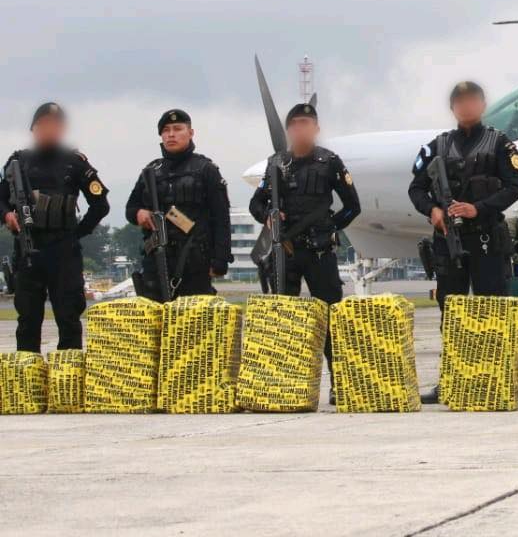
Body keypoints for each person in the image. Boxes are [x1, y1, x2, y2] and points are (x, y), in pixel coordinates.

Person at [408, 81, 518, 404]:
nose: (466, 107)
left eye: (472, 101)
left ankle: (493, 378)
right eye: (460, 102)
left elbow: (513, 187)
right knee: (452, 312)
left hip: (486, 237)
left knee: (491, 310)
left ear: (483, 105)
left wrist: (478, 208)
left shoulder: (500, 144)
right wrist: (432, 210)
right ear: (453, 109)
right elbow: (416, 188)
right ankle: (450, 380)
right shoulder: (437, 146)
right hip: (448, 240)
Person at [249, 103, 360, 402]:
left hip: (320, 253)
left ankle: (340, 382)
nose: (301, 128)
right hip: (284, 252)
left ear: (317, 128)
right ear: (288, 130)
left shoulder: (330, 161)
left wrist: (330, 227)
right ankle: (286, 384)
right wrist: (268, 217)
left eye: (306, 123)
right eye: (295, 124)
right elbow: (255, 203)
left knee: (330, 320)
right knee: (284, 319)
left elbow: (353, 206)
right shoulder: (276, 163)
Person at [0, 103, 109, 352]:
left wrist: (77, 233)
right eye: (43, 126)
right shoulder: (18, 162)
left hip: (64, 253)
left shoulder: (76, 163)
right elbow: (1, 198)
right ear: (34, 129)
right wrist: (7, 215)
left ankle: (67, 385)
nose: (49, 131)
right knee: (27, 321)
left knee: (69, 319)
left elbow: (100, 204)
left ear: (62, 130)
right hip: (28, 251)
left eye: (54, 126)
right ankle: (28, 385)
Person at [125, 109, 232, 300]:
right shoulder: (151, 172)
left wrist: (220, 260)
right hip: (156, 258)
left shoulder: (206, 169)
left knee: (192, 323)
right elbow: (130, 208)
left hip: (194, 260)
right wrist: (139, 213)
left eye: (177, 128)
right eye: (166, 130)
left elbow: (221, 218)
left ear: (190, 133)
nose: (171, 134)